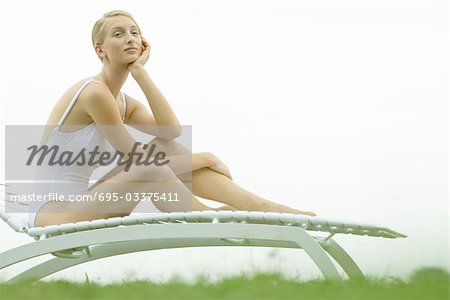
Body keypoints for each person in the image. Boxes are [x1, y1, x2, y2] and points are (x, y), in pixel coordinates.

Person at [30, 10, 316, 228]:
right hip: (55, 213)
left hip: (84, 201)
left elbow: (170, 131)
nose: (129, 37)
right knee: (150, 167)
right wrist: (204, 158)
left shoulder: (121, 100)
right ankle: (209, 216)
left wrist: (140, 73)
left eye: (134, 32)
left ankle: (259, 206)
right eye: (118, 34)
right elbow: (137, 162)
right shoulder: (95, 93)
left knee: (166, 149)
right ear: (100, 50)